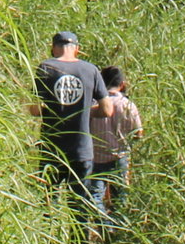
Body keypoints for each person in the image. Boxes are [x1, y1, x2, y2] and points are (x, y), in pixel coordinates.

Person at [31, 31, 108, 221]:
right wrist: (83, 111)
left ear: (53, 47)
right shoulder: (91, 70)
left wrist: (54, 109)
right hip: (81, 150)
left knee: (49, 207)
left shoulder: (46, 67)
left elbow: (33, 108)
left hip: (52, 149)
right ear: (77, 49)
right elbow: (107, 109)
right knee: (79, 210)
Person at [88, 65, 142, 223]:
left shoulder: (93, 104)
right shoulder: (128, 105)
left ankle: (106, 225)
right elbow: (138, 133)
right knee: (120, 199)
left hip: (96, 159)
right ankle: (118, 232)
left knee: (95, 197)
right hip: (120, 158)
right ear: (123, 84)